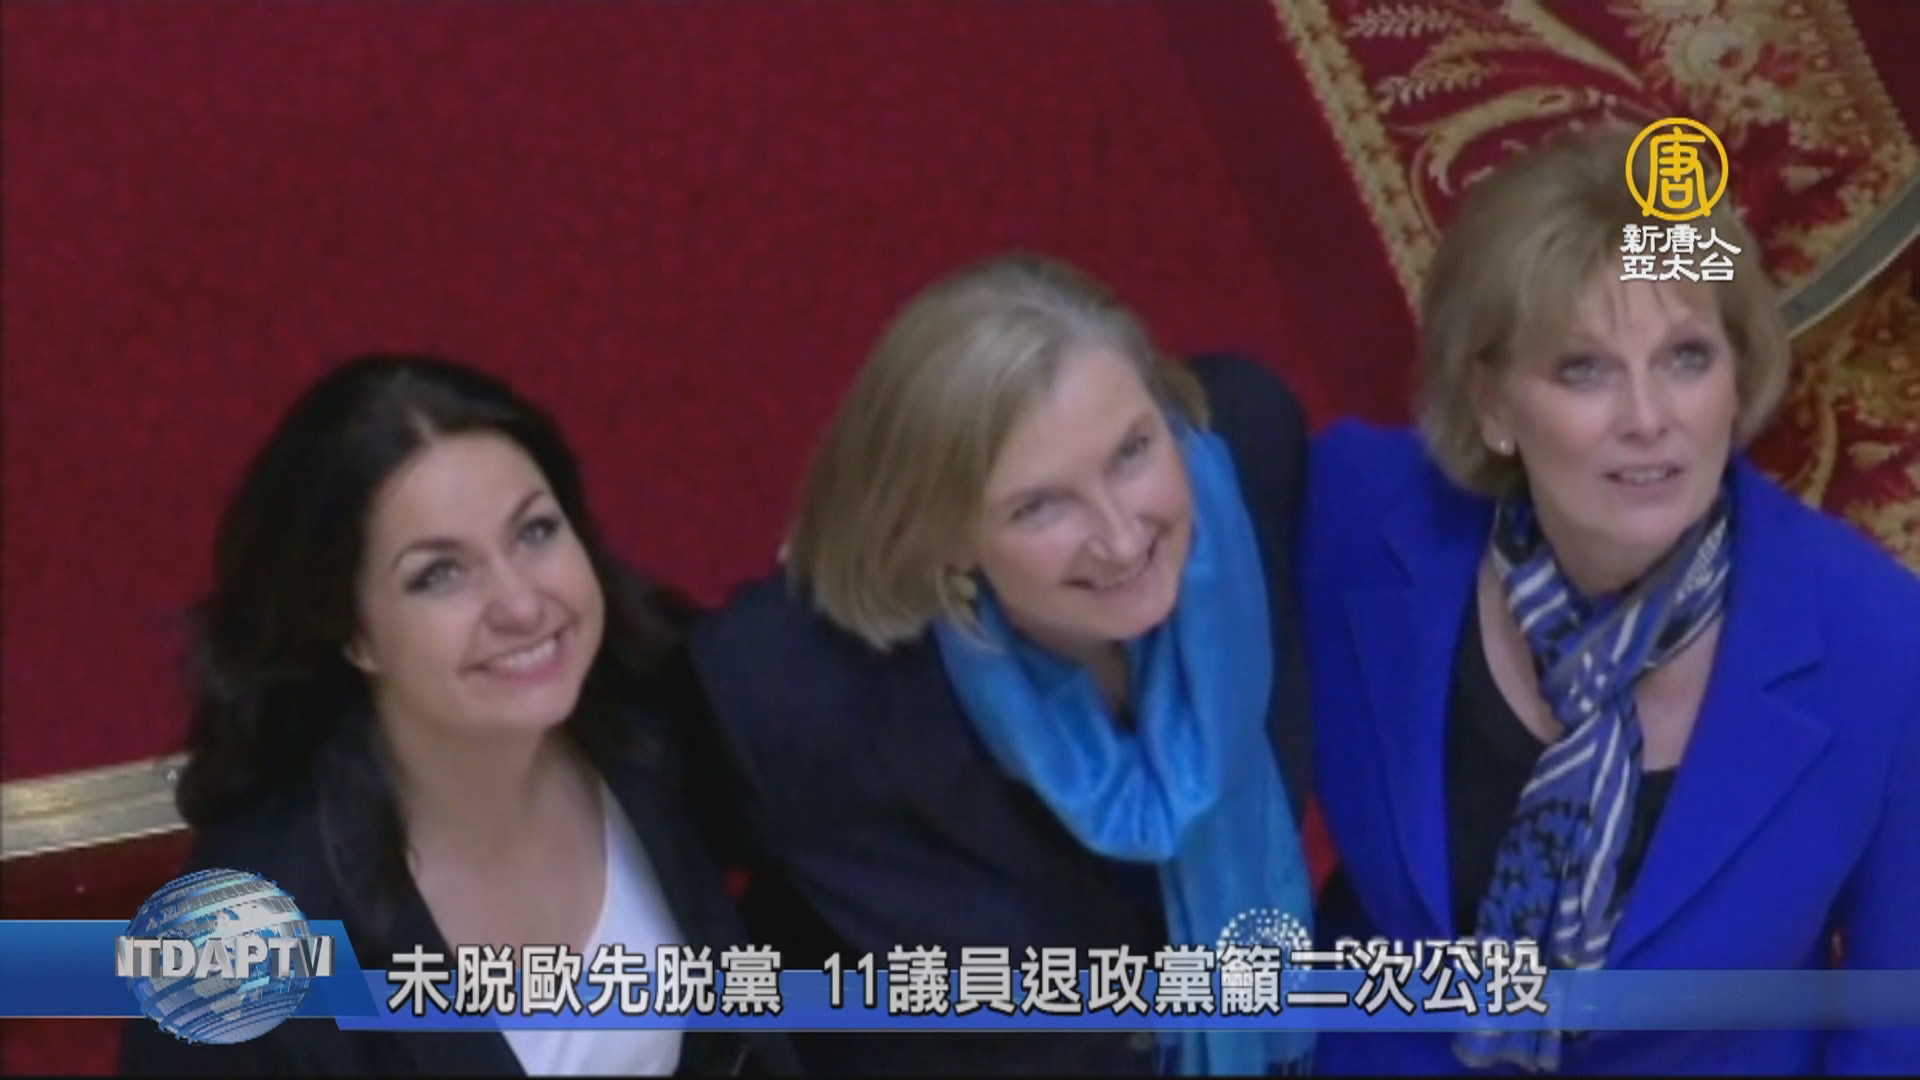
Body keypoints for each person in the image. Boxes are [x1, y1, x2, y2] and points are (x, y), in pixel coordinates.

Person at [1302, 124, 1920, 1074]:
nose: (1647, 418)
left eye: (1686, 358)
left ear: (1739, 372)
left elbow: (1898, 1019)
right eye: (1582, 368)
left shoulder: (1878, 642)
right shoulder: (1351, 516)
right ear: (1493, 403)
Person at [689, 253, 1318, 1076]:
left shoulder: (1248, 458)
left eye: (1133, 450)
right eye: (1038, 505)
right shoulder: (794, 691)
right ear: (940, 535)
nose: (1122, 538)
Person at [121, 354, 796, 1076]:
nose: (522, 605)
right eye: (440, 574)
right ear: (350, 631)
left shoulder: (656, 727)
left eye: (534, 532)